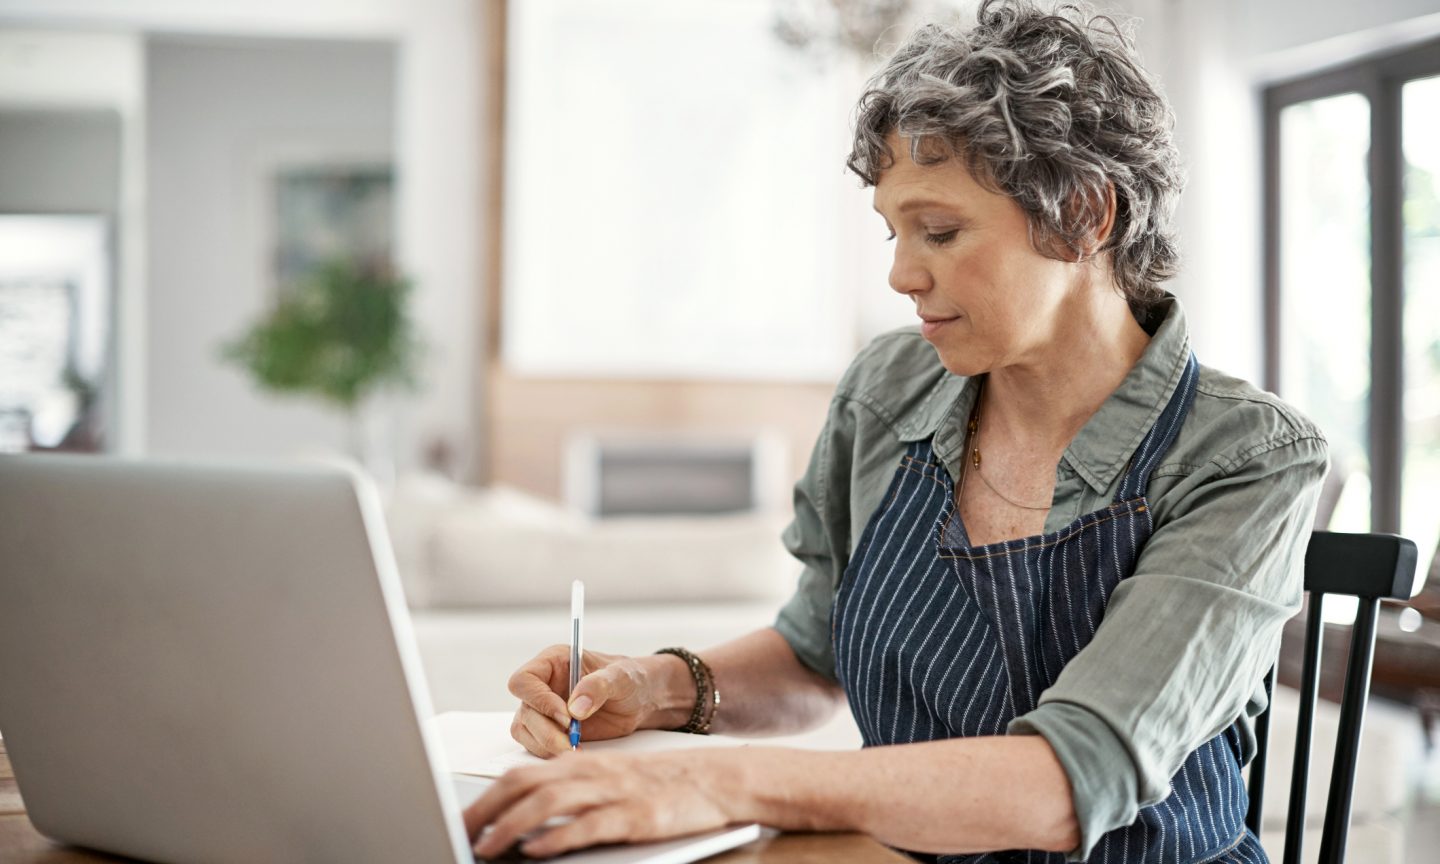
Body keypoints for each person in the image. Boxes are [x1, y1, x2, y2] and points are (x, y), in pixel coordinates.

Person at [463, 1, 1327, 861]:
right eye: (893, 232)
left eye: (940, 232)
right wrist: (656, 688)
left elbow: (1072, 777)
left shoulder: (1245, 459)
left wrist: (716, 780)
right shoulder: (888, 390)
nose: (901, 274)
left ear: (1085, 215)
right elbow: (814, 656)